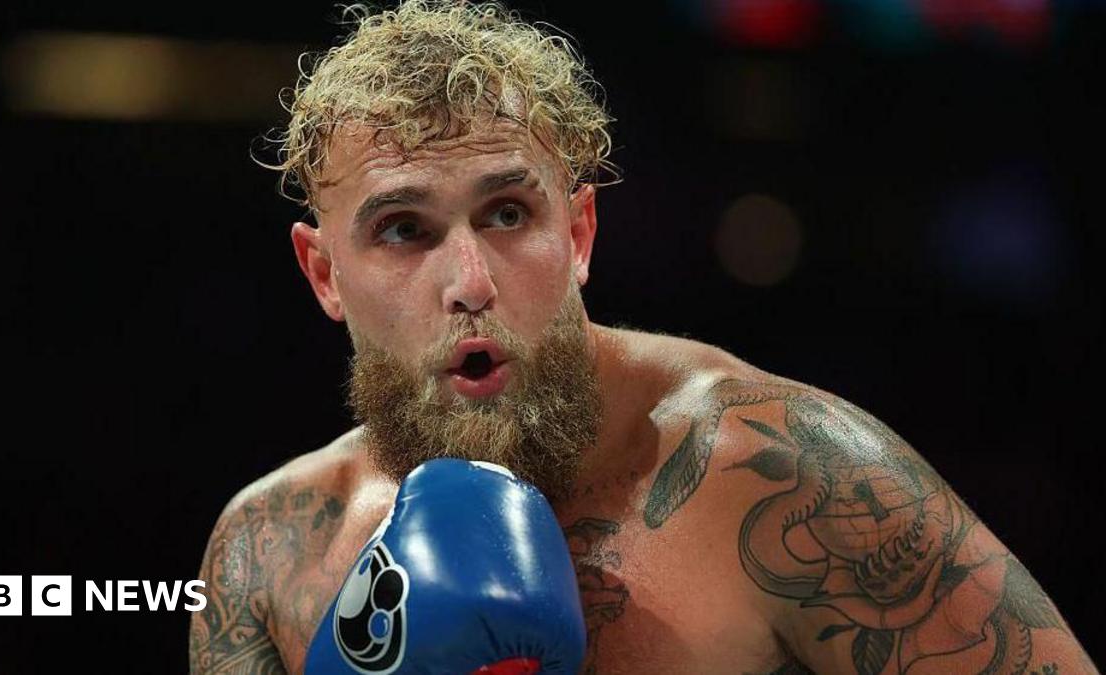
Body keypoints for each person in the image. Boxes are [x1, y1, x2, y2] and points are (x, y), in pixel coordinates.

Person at [189, 1, 1096, 673]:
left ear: (579, 233)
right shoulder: (269, 550)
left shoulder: (786, 476)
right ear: (323, 274)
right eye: (403, 229)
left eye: (507, 213)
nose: (470, 281)